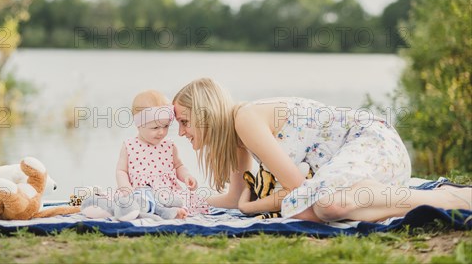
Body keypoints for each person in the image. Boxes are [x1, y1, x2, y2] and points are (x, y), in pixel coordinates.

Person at [172, 78, 471, 223]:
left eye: (184, 122)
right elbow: (230, 200)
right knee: (318, 208)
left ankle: (448, 198)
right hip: (354, 169)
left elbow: (296, 186)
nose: (181, 132)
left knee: (321, 206)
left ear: (205, 112)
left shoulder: (245, 118)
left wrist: (252, 207)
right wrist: (176, 197)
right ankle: (422, 204)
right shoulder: (237, 140)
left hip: (371, 140)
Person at [116, 90, 206, 219]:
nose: (161, 132)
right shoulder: (129, 145)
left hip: (167, 191)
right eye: (155, 128)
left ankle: (175, 212)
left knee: (181, 200)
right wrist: (125, 187)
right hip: (139, 192)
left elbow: (179, 166)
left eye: (166, 126)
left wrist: (186, 176)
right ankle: (150, 211)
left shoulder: (169, 145)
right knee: (129, 203)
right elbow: (121, 170)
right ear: (138, 125)